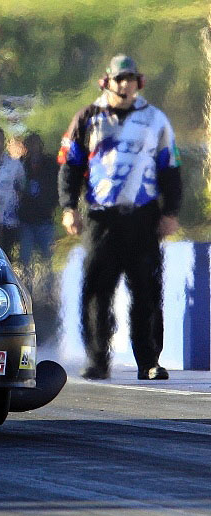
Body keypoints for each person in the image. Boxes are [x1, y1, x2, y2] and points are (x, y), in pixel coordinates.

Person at [58, 54, 181, 380]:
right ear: (107, 82)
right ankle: (97, 359)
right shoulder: (87, 118)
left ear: (139, 83)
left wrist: (170, 212)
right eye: (119, 80)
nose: (125, 86)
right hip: (102, 219)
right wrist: (69, 207)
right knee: (97, 290)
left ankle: (149, 361)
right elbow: (70, 166)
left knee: (147, 291)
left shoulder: (155, 119)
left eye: (131, 80)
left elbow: (170, 168)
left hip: (142, 217)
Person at [18, 132, 59, 267]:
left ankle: (47, 278)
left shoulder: (50, 163)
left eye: (35, 143)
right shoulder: (21, 164)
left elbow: (57, 186)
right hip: (26, 218)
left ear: (40, 145)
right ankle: (25, 278)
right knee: (25, 258)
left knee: (47, 256)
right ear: (26, 146)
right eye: (30, 144)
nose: (33, 147)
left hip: (45, 217)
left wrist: (52, 204)